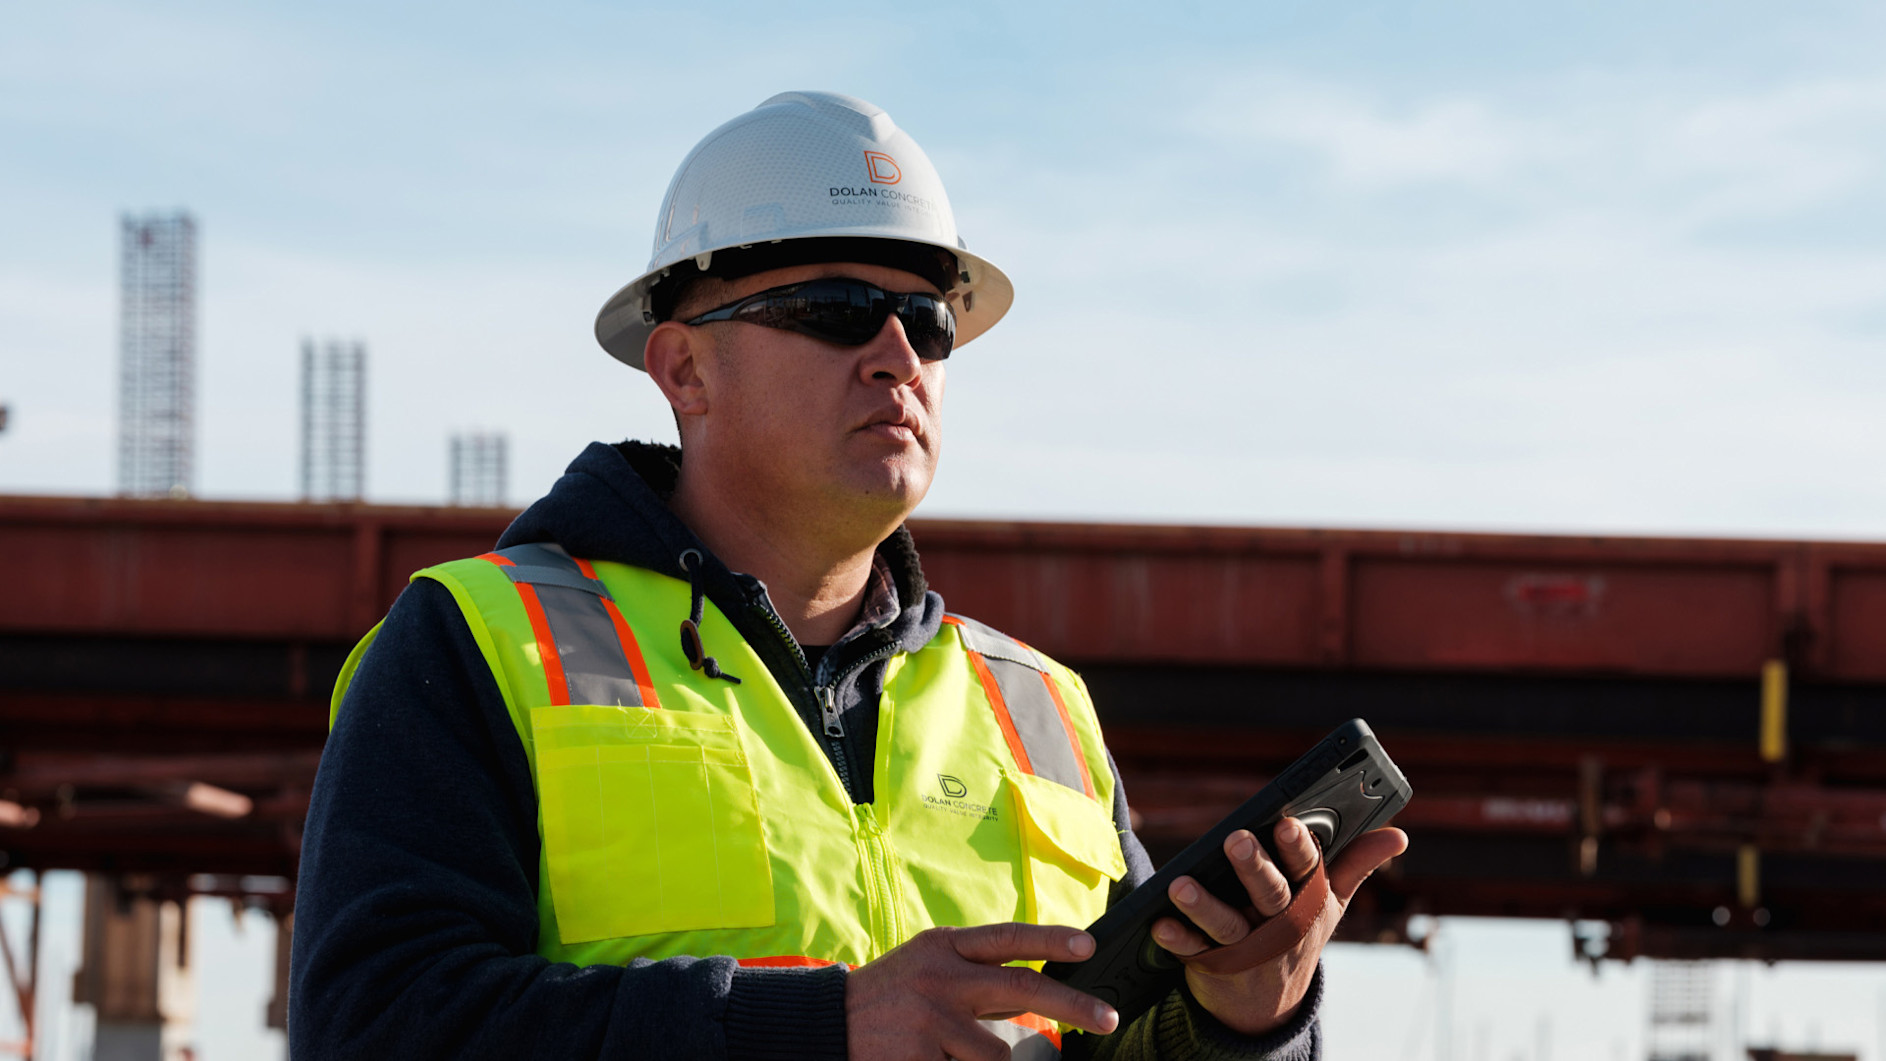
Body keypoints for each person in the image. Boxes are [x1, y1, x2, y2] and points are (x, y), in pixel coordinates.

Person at [288, 90, 1407, 1060]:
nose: (895, 356)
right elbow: (371, 1025)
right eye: (832, 311)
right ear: (682, 367)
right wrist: (817, 1030)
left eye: (925, 322)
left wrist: (1247, 1016)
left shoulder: (1038, 709)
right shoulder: (479, 641)